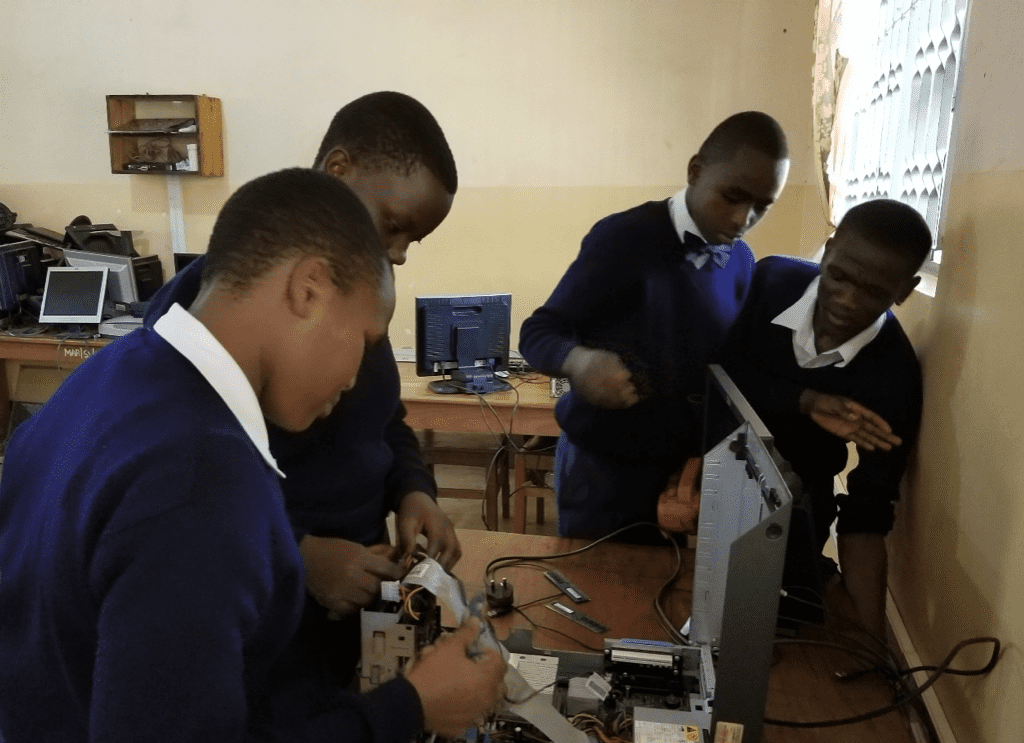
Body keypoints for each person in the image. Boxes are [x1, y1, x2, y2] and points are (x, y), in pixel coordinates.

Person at [0, 168, 506, 743]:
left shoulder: (112, 372)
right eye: (365, 341)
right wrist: (410, 706)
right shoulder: (201, 481)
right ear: (308, 289)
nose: (357, 378)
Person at [144, 92, 460, 677]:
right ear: (339, 170)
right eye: (394, 227)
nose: (398, 255)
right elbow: (192, 495)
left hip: (353, 590)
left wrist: (412, 489)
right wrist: (298, 555)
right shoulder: (210, 321)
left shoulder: (352, 296)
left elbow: (383, 417)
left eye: (411, 242)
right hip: (272, 605)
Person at [518, 111, 790, 539]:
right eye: (733, 197)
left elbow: (729, 369)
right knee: (598, 592)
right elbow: (538, 331)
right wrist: (579, 362)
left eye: (762, 206)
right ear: (696, 170)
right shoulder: (622, 240)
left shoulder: (740, 262)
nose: (743, 219)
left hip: (682, 481)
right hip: (602, 475)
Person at [722, 198, 931, 643]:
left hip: (794, 509)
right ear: (829, 249)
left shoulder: (893, 379)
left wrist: (874, 645)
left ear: (905, 290)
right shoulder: (771, 281)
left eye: (873, 291)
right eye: (837, 275)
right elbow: (720, 372)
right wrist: (803, 400)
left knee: (769, 645)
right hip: (704, 468)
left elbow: (868, 514)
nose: (846, 300)